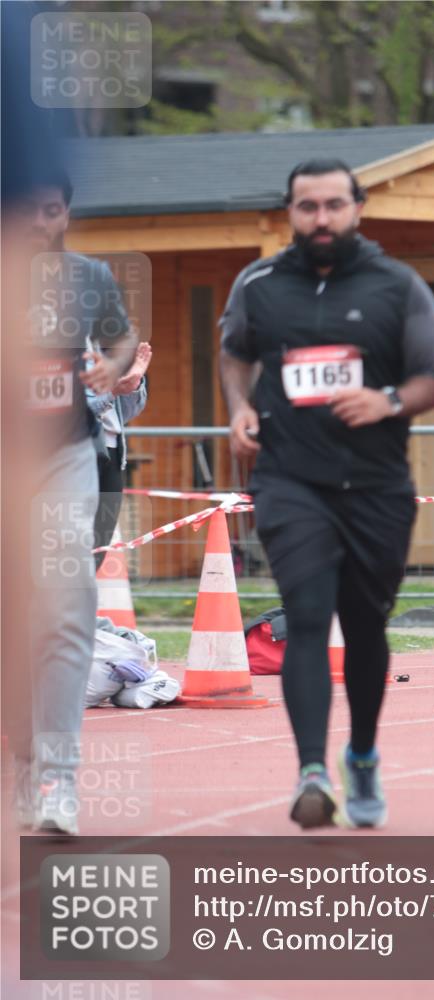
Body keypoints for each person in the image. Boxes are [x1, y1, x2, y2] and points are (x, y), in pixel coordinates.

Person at [219, 158, 434, 829]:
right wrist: (238, 407)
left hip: (376, 485)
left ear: (357, 208)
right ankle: (311, 770)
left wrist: (385, 400)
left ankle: (364, 754)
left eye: (332, 206)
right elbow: (234, 350)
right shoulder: (258, 283)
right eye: (306, 207)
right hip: (290, 480)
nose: (320, 219)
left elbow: (433, 376)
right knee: (308, 617)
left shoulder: (395, 285)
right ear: (290, 212)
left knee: (367, 627)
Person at [10, 166, 137, 835]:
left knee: (64, 608)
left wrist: (110, 367)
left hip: (64, 454)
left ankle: (58, 777)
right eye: (25, 208)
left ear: (64, 214)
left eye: (50, 209)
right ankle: (24, 762)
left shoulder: (88, 277)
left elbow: (119, 336)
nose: (37, 222)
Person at [87, 339, 151, 569]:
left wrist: (133, 382)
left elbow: (126, 413)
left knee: (100, 544)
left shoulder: (111, 353)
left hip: (113, 453)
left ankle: (79, 602)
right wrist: (113, 392)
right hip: (78, 452)